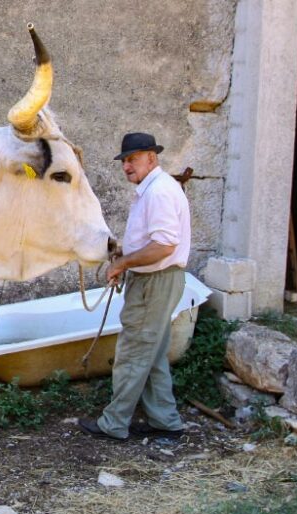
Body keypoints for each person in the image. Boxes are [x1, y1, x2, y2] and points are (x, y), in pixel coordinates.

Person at [78, 132, 191, 441]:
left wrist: (123, 264)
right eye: (124, 160)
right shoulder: (152, 189)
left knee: (132, 353)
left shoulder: (159, 192)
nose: (127, 166)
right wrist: (124, 255)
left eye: (133, 159)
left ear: (151, 158)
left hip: (155, 282)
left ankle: (114, 423)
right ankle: (165, 420)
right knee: (151, 354)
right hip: (157, 281)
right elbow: (154, 242)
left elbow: (164, 246)